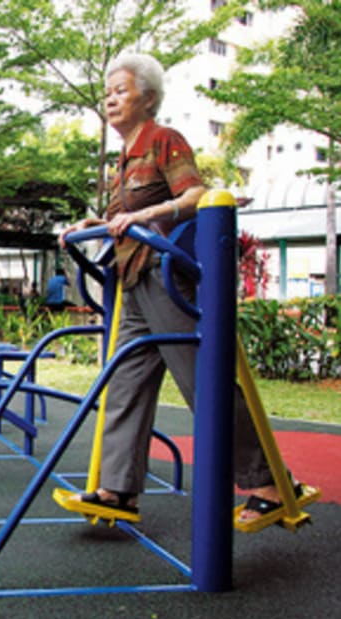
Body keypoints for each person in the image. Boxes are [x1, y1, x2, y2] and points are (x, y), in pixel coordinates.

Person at [56, 52, 315, 530]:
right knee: (126, 383)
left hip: (164, 274)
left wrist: (144, 217)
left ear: (148, 98)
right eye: (108, 91)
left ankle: (271, 483)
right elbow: (121, 212)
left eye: (121, 90)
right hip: (132, 276)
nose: (110, 99)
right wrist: (95, 223)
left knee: (203, 380)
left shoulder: (163, 140)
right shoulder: (126, 155)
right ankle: (118, 490)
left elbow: (197, 195)